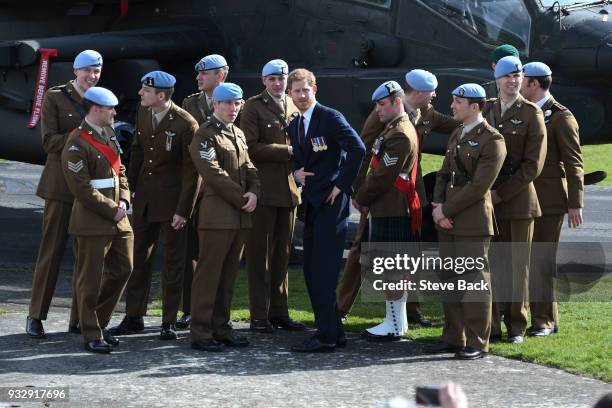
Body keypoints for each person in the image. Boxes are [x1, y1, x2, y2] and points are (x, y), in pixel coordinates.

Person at [337, 69, 459, 326]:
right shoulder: (383, 113)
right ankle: (340, 307)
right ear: (418, 92)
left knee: (409, 253)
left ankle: (409, 311)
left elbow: (457, 124)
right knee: (362, 248)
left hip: (412, 195)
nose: (435, 95)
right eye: (431, 91)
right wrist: (358, 192)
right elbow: (363, 149)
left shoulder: (427, 114)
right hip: (382, 194)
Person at [108, 71, 199, 340]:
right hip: (145, 200)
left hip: (173, 206)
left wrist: (184, 210)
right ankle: (133, 316)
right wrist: (131, 189)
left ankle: (168, 321)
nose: (139, 94)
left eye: (145, 90)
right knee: (138, 259)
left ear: (161, 95)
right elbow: (137, 151)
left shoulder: (185, 123)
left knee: (173, 264)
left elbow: (192, 173)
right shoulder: (144, 112)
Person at [26, 50, 103, 338]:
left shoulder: (101, 98)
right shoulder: (55, 97)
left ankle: (78, 318)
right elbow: (48, 142)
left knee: (86, 256)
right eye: (88, 71)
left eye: (97, 71)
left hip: (90, 189)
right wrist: (81, 134)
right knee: (51, 251)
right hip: (60, 187)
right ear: (75, 71)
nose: (92, 76)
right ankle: (35, 315)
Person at [287, 68, 365, 352]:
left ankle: (326, 336)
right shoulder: (295, 125)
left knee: (323, 272)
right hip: (311, 205)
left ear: (314, 89)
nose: (302, 95)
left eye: (306, 90)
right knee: (310, 270)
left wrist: (341, 186)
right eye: (296, 91)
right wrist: (295, 172)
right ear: (290, 94)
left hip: (332, 205)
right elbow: (296, 158)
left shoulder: (330, 117)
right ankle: (335, 332)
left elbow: (357, 149)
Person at [428, 83, 506, 360]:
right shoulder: (457, 133)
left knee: (473, 282)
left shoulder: (493, 140)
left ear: (474, 106)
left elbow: (479, 186)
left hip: (472, 219)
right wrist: (437, 206)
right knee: (450, 279)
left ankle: (477, 341)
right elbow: (442, 173)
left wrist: (446, 209)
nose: (452, 106)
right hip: (447, 217)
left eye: (458, 102)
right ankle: (453, 337)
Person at [61, 87, 133, 353]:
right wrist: (111, 209)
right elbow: (81, 189)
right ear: (96, 109)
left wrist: (124, 199)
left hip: (119, 216)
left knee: (123, 269)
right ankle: (90, 332)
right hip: (93, 220)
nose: (115, 113)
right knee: (89, 278)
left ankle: (98, 323)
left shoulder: (110, 133)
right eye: (110, 109)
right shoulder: (77, 142)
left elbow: (120, 170)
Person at [188, 83, 259, 352]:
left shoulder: (238, 133)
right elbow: (213, 174)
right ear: (215, 105)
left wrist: (254, 192)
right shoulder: (204, 135)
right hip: (217, 217)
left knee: (228, 276)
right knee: (208, 276)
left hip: (239, 217)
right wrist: (244, 199)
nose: (233, 108)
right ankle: (201, 331)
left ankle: (221, 327)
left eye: (238, 103)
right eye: (228, 103)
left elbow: (250, 168)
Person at [483, 56, 547, 344]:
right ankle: (492, 326)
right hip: (488, 202)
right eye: (506, 75)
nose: (512, 80)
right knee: (492, 265)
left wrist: (500, 194)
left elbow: (533, 166)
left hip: (519, 203)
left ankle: (517, 327)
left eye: (517, 75)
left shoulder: (532, 113)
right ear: (496, 78)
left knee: (517, 267)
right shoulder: (487, 110)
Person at [240, 59, 305, 333]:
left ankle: (279, 312)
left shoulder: (292, 105)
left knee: (282, 255)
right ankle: (258, 315)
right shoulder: (253, 107)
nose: (277, 83)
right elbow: (251, 147)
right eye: (272, 79)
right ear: (263, 81)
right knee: (259, 256)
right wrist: (288, 151)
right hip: (264, 191)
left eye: (281, 79)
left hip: (288, 191)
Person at [520, 62, 584, 336]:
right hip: (524, 197)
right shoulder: (524, 112)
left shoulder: (560, 116)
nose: (519, 85)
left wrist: (575, 202)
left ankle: (545, 321)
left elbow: (574, 162)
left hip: (549, 200)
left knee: (542, 262)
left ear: (534, 84)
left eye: (523, 80)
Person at [354, 80, 420, 341]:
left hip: (391, 206)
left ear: (397, 102)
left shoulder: (400, 133)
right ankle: (397, 322)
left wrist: (361, 197)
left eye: (382, 104)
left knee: (390, 269)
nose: (378, 110)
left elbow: (383, 176)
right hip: (390, 205)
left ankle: (393, 325)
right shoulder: (394, 128)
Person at [177, 54, 230, 330]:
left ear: (221, 75)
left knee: (220, 255)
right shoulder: (190, 103)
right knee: (191, 253)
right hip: (197, 187)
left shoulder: (235, 103)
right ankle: (190, 309)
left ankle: (219, 314)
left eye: (204, 73)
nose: (198, 78)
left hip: (223, 190)